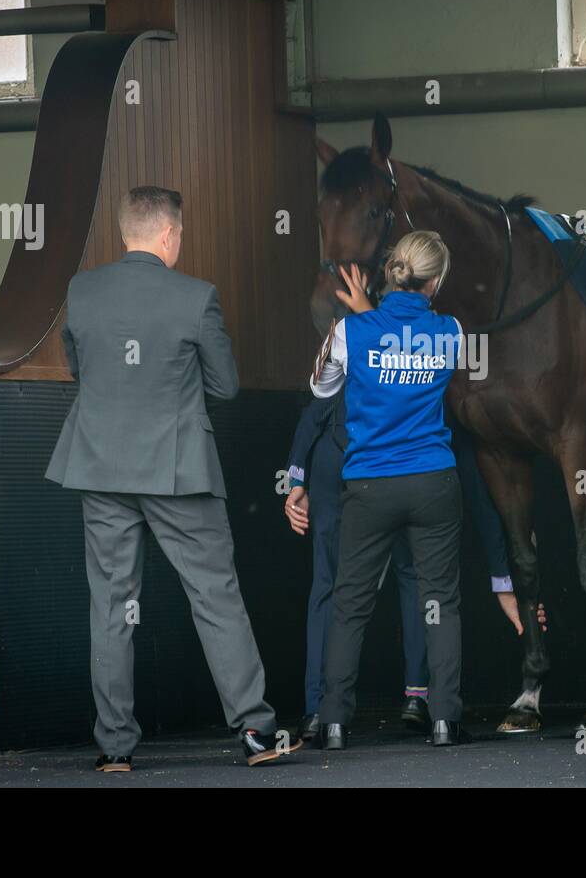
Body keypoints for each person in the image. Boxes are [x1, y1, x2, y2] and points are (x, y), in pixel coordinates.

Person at [45, 185, 299, 770]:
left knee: (111, 606)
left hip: (101, 466)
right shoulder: (196, 298)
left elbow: (80, 368)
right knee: (215, 597)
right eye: (180, 233)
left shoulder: (82, 292)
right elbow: (226, 385)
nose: (180, 240)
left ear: (125, 232)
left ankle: (114, 747)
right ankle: (257, 732)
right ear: (167, 235)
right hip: (178, 469)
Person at [283, 387, 530, 744]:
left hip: (345, 458)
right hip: (419, 471)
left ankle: (323, 714)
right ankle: (422, 700)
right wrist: (503, 577)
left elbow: (319, 405)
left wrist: (295, 475)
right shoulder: (441, 337)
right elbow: (474, 478)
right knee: (423, 584)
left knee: (334, 589)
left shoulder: (356, 332)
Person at [308, 230, 470, 749]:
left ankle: (333, 721)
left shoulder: (349, 331)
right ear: (437, 280)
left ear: (393, 271)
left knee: (350, 602)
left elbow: (321, 389)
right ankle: (444, 718)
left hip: (370, 482)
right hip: (433, 481)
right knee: (440, 601)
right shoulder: (454, 331)